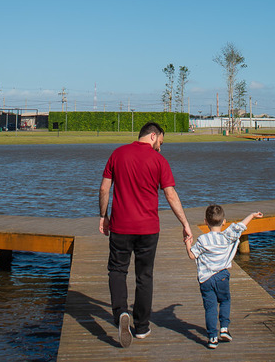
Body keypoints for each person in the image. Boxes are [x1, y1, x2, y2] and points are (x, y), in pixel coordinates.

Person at [98, 121, 192, 348]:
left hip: (120, 227)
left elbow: (104, 188)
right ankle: (141, 327)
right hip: (149, 229)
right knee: (145, 276)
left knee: (117, 270)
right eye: (161, 141)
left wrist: (103, 216)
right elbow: (171, 194)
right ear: (153, 135)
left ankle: (121, 312)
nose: (161, 146)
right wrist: (185, 224)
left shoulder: (117, 154)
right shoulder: (159, 161)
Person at [185, 206, 263, 348]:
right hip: (222, 276)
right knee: (225, 300)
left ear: (205, 222)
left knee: (210, 308)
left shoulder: (203, 240)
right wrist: (251, 215)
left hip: (206, 279)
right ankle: (224, 328)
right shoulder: (227, 236)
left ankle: (212, 338)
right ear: (224, 222)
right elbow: (241, 226)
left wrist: (188, 243)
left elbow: (192, 255)